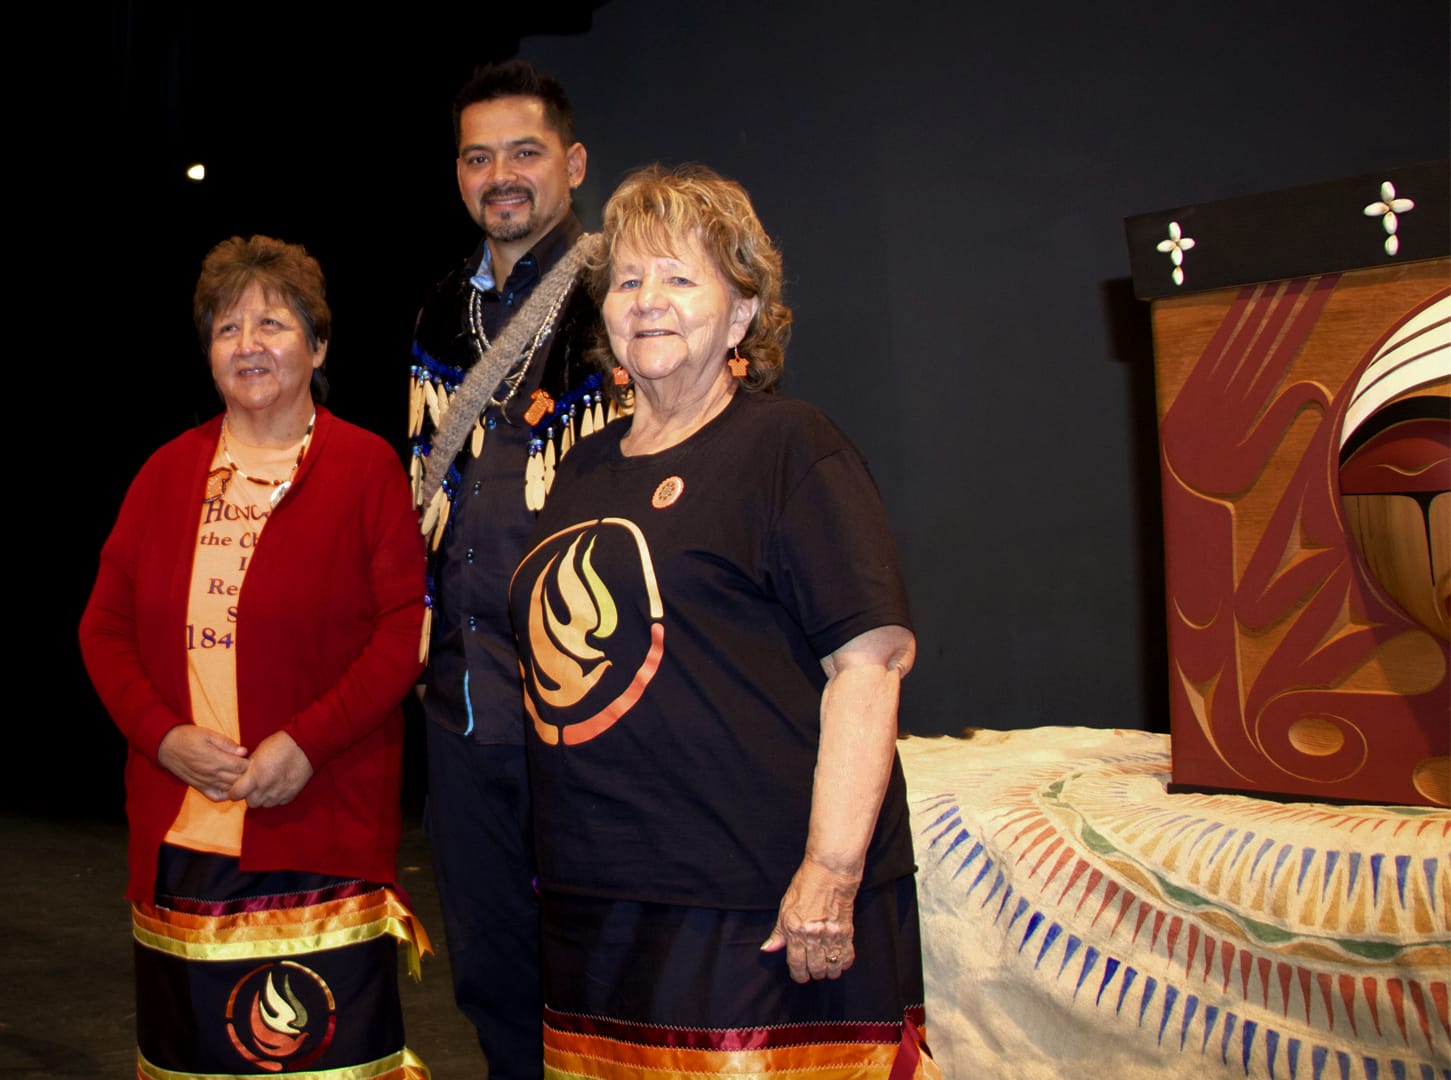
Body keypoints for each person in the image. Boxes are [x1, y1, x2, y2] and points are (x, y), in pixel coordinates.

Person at [509, 164, 940, 1078]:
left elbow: (867, 666)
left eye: (678, 276)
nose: (646, 300)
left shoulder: (790, 447)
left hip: (755, 916)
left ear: (742, 312)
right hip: (597, 911)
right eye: (627, 280)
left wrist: (830, 871)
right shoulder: (579, 471)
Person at [79, 236, 428, 1080]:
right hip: (183, 836)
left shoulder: (365, 467)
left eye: (272, 322)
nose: (248, 344)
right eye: (227, 327)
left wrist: (303, 744)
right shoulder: (165, 473)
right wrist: (163, 739)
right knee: (190, 1062)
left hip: (317, 828)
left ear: (318, 345)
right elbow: (103, 628)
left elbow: (400, 634)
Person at [408, 60, 613, 1078]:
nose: (501, 175)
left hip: (593, 701)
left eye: (523, 152)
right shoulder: (439, 312)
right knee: (489, 963)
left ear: (571, 163)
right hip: (462, 703)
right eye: (478, 155)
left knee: (606, 962)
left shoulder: (625, 295)